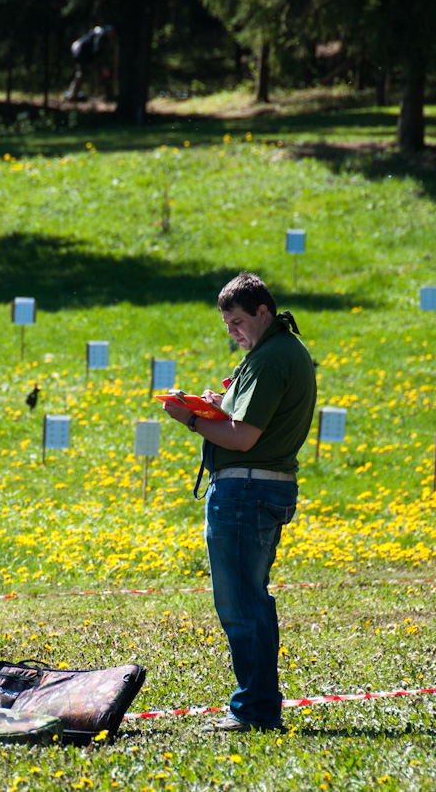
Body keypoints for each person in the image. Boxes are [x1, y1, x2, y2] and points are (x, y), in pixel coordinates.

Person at [161, 272, 316, 733]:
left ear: (263, 313)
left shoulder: (271, 358)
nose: (232, 331)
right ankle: (259, 706)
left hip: (247, 489)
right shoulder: (275, 352)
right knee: (251, 600)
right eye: (226, 323)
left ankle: (255, 711)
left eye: (238, 321)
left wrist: (189, 418)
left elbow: (244, 437)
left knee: (242, 604)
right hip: (260, 487)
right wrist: (217, 404)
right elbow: (244, 420)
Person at [64, 25, 116, 101]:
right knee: (86, 74)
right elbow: (97, 50)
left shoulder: (97, 33)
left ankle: (73, 95)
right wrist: (103, 65)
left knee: (81, 74)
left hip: (85, 55)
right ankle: (109, 96)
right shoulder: (102, 35)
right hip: (85, 55)